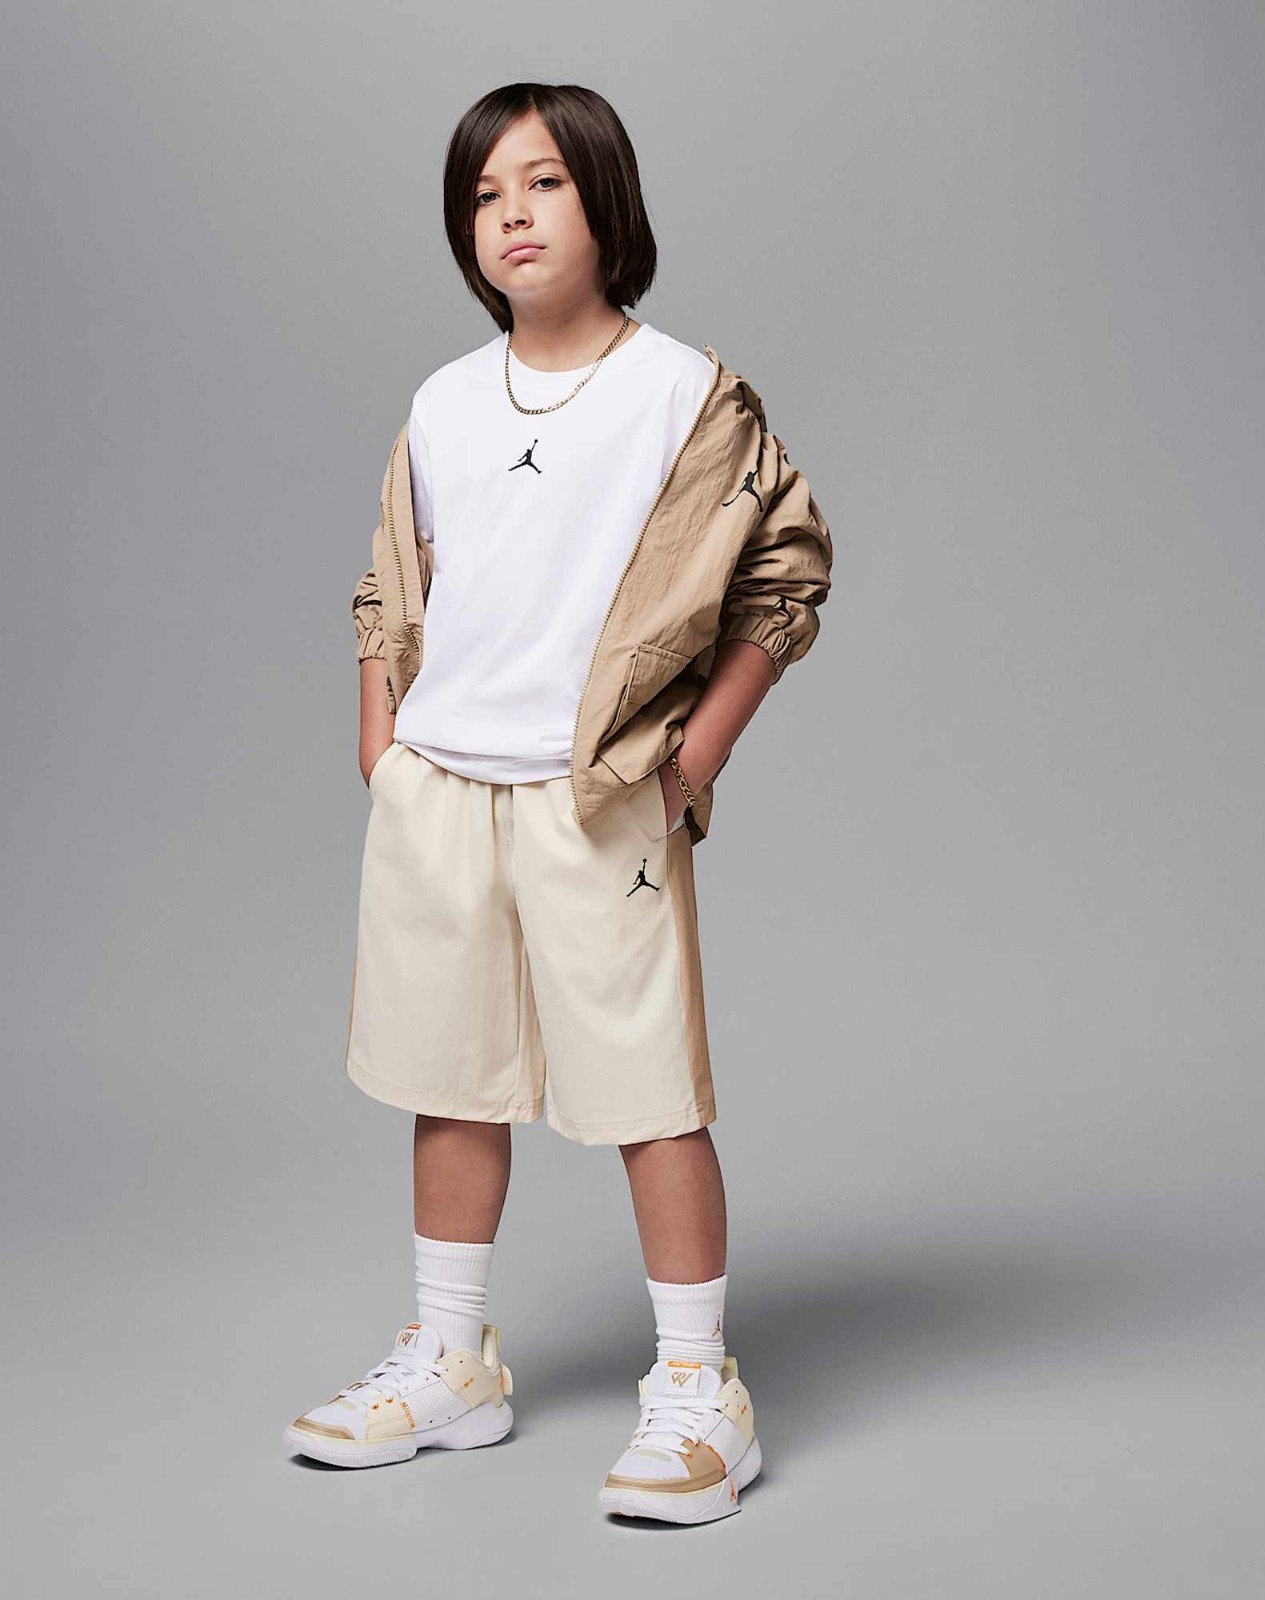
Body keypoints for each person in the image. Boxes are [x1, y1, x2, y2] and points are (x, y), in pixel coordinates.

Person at [285, 81, 833, 1526]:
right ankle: (452, 1359)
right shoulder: (444, 403)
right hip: (439, 789)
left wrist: (694, 760)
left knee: (650, 1092)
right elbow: (390, 581)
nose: (511, 216)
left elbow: (784, 573)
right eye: (483, 194)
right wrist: (382, 743)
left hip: (597, 800)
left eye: (542, 183)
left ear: (607, 200)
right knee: (447, 1078)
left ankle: (699, 1386)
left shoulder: (686, 395)